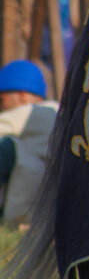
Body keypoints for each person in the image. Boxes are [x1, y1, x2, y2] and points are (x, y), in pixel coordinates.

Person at [0, 59, 59, 226]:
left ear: (22, 96)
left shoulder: (36, 112)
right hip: (49, 207)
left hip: (29, 208)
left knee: (6, 147)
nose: (1, 108)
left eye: (1, 100)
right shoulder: (56, 112)